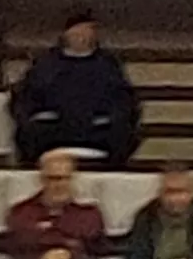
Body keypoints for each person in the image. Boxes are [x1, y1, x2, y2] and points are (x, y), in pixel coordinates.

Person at [12, 9, 142, 165]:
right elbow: (26, 101)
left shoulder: (108, 67)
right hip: (51, 139)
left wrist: (106, 120)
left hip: (99, 137)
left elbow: (124, 104)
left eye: (87, 30)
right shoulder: (45, 66)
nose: (81, 35)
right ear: (65, 34)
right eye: (77, 30)